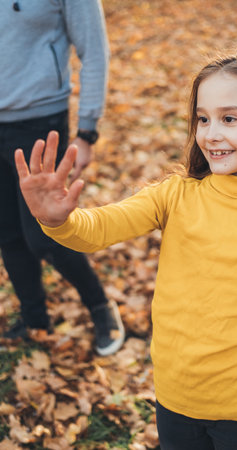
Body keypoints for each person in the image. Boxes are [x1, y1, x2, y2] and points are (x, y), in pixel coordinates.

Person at [14, 47, 237, 450]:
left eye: (229, 119)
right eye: (203, 119)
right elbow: (100, 229)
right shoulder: (175, 195)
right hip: (173, 402)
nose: (211, 133)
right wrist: (59, 220)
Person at [0, 0, 125, 356]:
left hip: (40, 122)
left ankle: (101, 308)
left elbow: (95, 51)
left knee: (43, 236)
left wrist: (87, 131)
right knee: (7, 231)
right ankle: (35, 320)